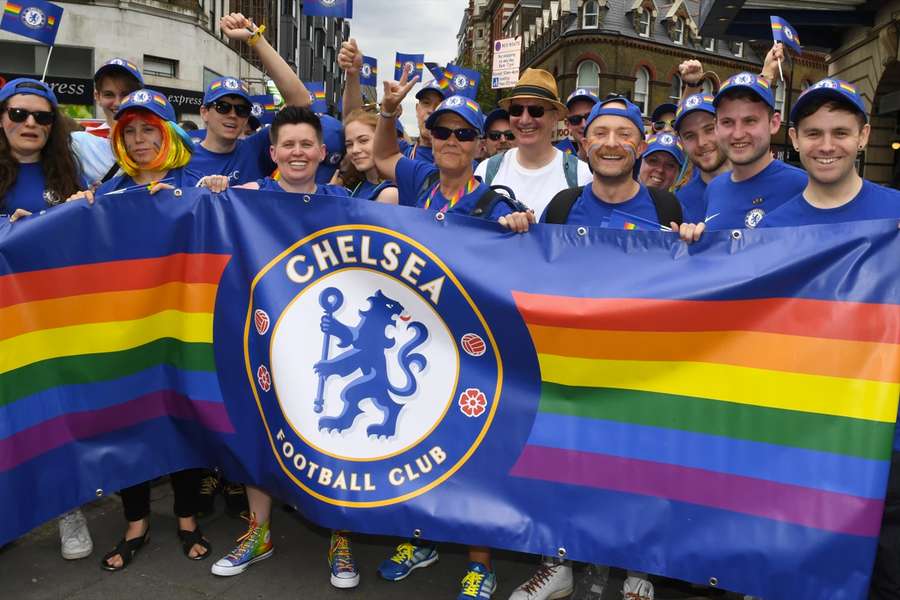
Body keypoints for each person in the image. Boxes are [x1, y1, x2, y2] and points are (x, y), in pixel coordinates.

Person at [372, 68, 531, 600]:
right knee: (413, 442)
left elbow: (517, 281)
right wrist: (390, 111)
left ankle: (480, 562)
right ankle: (421, 538)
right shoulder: (417, 183)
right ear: (431, 138)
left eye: (464, 134)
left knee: (472, 455)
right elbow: (379, 157)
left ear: (481, 144)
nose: (452, 142)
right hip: (414, 347)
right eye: (443, 132)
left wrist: (519, 231)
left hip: (473, 356)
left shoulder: (497, 204)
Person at [517, 97, 681, 600]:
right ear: (584, 144)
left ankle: (637, 569)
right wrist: (514, 235)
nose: (612, 143)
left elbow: (692, 286)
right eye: (601, 133)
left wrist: (697, 243)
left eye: (624, 134)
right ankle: (559, 563)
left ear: (640, 144)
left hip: (641, 370)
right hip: (575, 366)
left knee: (639, 467)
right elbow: (532, 276)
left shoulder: (667, 207)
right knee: (565, 465)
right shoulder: (565, 205)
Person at [755, 77, 900, 600]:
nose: (827, 145)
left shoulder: (898, 213)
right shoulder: (769, 231)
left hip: (887, 438)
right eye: (814, 133)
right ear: (793, 138)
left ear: (864, 136)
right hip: (802, 437)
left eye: (841, 132)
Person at [64, 89, 216, 571]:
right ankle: (136, 522)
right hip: (127, 333)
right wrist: (71, 215)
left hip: (183, 332)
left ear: (169, 132)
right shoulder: (104, 195)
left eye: (148, 128)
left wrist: (217, 197)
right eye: (129, 130)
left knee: (184, 417)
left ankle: (187, 516)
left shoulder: (197, 187)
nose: (139, 139)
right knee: (128, 420)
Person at [209, 106, 356, 589]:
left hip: (326, 341)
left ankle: (341, 533)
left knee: (334, 432)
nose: (297, 152)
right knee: (262, 424)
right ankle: (259, 532)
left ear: (322, 152)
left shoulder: (345, 202)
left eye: (305, 144)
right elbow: (184, 208)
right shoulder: (247, 195)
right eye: (287, 144)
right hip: (267, 339)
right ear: (272, 153)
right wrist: (209, 192)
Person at [186, 12, 310, 186]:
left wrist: (255, 38)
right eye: (223, 107)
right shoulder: (181, 158)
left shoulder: (256, 148)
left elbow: (300, 101)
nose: (232, 115)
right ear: (204, 112)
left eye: (241, 109)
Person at [475, 68, 592, 217]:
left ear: (555, 116)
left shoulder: (582, 175)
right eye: (516, 110)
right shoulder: (486, 171)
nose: (524, 120)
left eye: (536, 111)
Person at [698, 71, 807, 231]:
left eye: (750, 121)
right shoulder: (714, 189)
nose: (738, 134)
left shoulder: (803, 186)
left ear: (774, 123)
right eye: (727, 122)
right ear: (716, 127)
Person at [0, 78, 81, 223]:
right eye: (18, 114)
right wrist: (8, 229)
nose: (30, 123)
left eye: (42, 117)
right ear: (1, 119)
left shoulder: (69, 172)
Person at [70, 58, 143, 187]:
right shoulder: (79, 142)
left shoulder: (159, 139)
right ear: (97, 97)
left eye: (125, 94)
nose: (118, 103)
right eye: (109, 95)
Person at [673, 93, 730, 224]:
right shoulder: (680, 204)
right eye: (690, 136)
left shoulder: (761, 184)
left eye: (709, 129)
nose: (701, 142)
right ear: (681, 143)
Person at [342, 108, 399, 203]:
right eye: (349, 144)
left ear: (383, 140)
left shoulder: (389, 193)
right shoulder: (357, 185)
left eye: (363, 140)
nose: (355, 150)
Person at [402, 81, 447, 164]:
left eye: (439, 105)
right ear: (417, 109)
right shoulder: (400, 158)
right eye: (426, 103)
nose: (431, 110)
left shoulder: (468, 167)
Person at [554, 88, 599, 160]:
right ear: (567, 125)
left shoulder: (617, 160)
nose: (584, 124)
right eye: (575, 119)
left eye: (589, 117)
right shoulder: (562, 164)